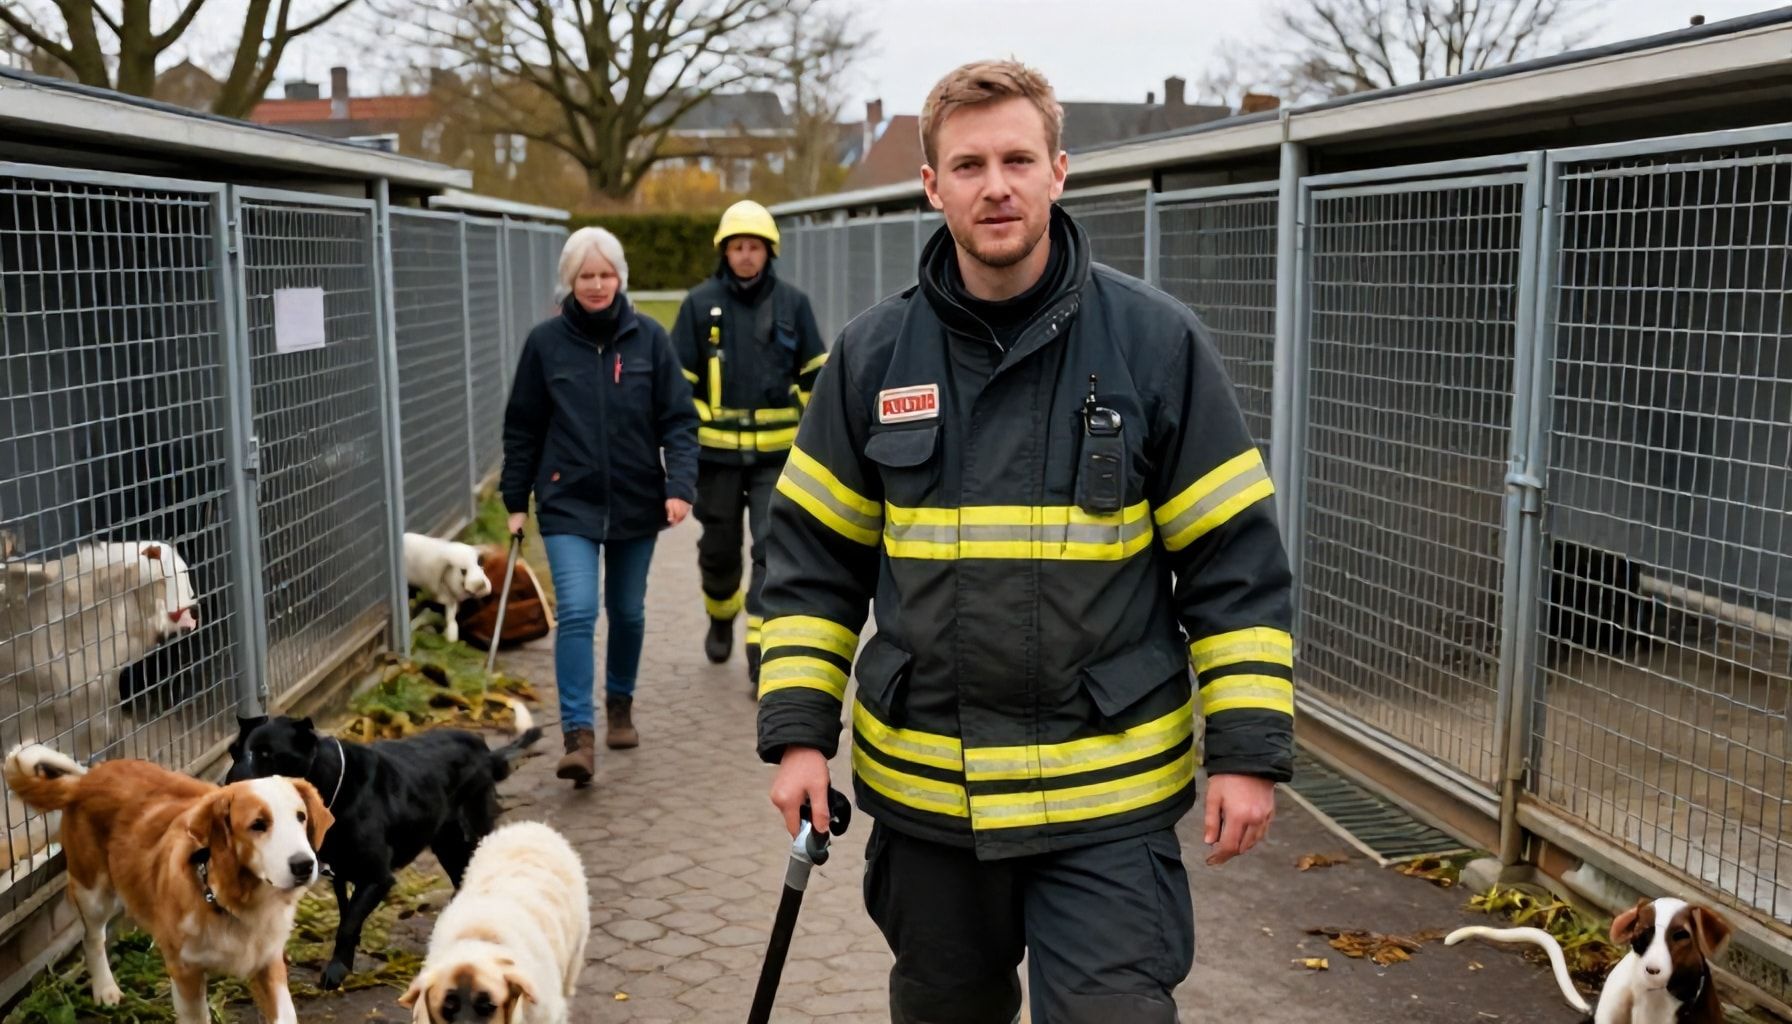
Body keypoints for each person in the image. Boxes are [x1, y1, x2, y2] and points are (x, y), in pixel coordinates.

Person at [756, 60, 1295, 1022]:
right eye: (968, 165)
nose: (994, 185)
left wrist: (1248, 751)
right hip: (929, 803)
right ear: (932, 186)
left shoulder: (1155, 345)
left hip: (1109, 800)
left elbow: (1233, 567)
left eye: (1016, 159)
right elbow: (810, 567)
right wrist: (799, 738)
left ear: (1059, 171)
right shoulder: (872, 359)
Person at [500, 226, 698, 786]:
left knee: (629, 612)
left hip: (637, 502)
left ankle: (619, 703)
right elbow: (523, 427)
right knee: (580, 611)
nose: (596, 284)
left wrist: (679, 485)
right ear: (570, 280)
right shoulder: (545, 344)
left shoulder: (650, 340)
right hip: (568, 500)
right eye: (585, 275)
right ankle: (578, 736)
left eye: (605, 274)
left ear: (620, 278)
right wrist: (516, 500)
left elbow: (679, 421)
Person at [670, 201, 827, 693]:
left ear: (768, 252)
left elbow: (814, 380)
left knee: (771, 548)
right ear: (724, 251)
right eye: (737, 247)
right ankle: (721, 616)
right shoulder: (698, 306)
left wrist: (823, 442)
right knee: (719, 553)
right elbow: (678, 388)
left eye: (753, 247)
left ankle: (762, 652)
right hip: (714, 459)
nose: (745, 255)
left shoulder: (793, 305)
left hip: (775, 460)